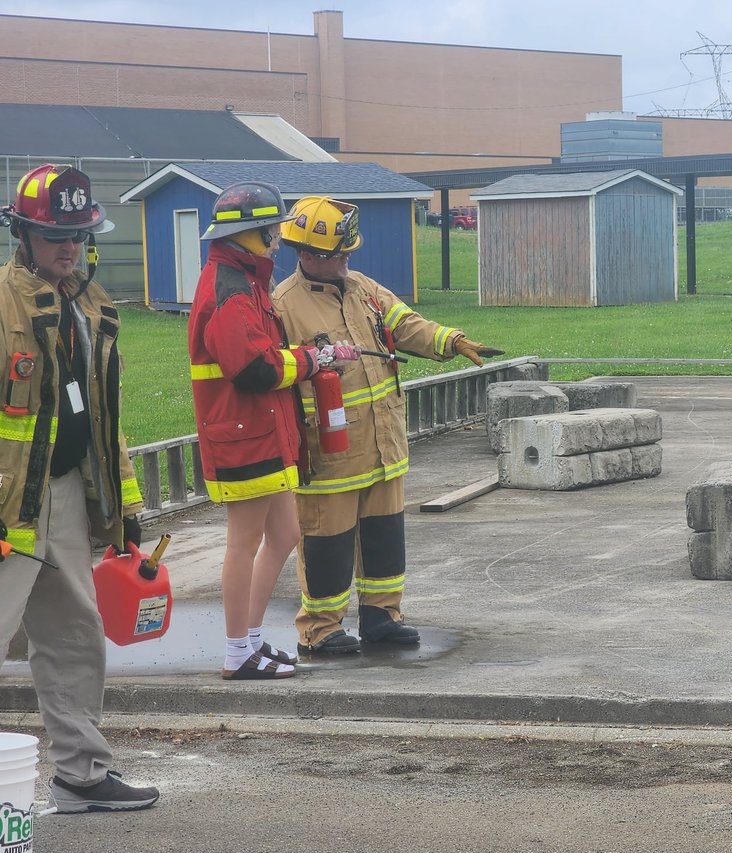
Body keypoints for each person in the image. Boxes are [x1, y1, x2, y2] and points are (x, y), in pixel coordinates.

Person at [274, 196, 501, 655]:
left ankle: (382, 617)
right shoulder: (283, 306)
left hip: (383, 445)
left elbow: (407, 324)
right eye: (339, 254)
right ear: (309, 254)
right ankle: (320, 630)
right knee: (326, 544)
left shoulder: (363, 288)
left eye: (348, 252)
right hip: (329, 454)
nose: (347, 260)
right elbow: (276, 373)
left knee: (384, 538)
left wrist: (452, 341)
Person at [0, 164, 159, 812]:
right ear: (22, 235)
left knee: (73, 634)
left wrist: (124, 506)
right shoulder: (2, 303)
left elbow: (102, 418)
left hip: (62, 494)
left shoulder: (89, 306)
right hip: (7, 505)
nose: (67, 248)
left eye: (77, 236)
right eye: (53, 236)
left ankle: (81, 774)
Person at [187, 182, 358, 680]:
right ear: (248, 235)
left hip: (260, 430)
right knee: (243, 542)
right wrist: (315, 358)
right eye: (271, 232)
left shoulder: (245, 280)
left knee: (284, 533)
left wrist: (308, 357)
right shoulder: (231, 289)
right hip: (242, 435)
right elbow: (255, 369)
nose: (278, 242)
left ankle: (252, 641)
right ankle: (237, 652)